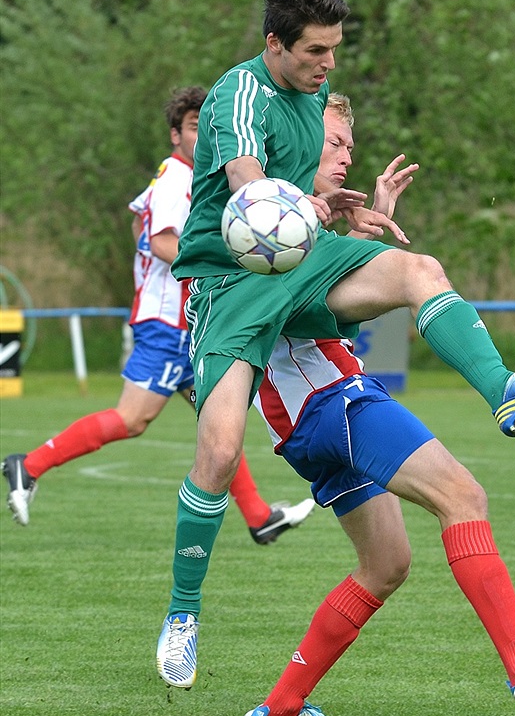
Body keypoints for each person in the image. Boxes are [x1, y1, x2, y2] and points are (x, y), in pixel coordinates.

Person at [155, 0, 515, 690]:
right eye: (315, 51)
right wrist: (307, 212)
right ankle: (183, 611)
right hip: (232, 285)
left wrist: (342, 205)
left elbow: (299, 189)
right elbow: (252, 192)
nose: (328, 64)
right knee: (221, 451)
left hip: (301, 260)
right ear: (275, 43)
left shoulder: (313, 93)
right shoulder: (239, 94)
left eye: (334, 49)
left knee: (417, 270)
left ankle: (503, 390)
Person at [1, 86, 314, 544]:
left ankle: (258, 515)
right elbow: (161, 241)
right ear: (175, 135)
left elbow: (138, 226)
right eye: (192, 127)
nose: (201, 134)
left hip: (185, 320)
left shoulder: (187, 176)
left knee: (217, 420)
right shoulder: (176, 177)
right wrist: (233, 252)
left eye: (205, 125)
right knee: (134, 418)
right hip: (169, 323)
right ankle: (27, 466)